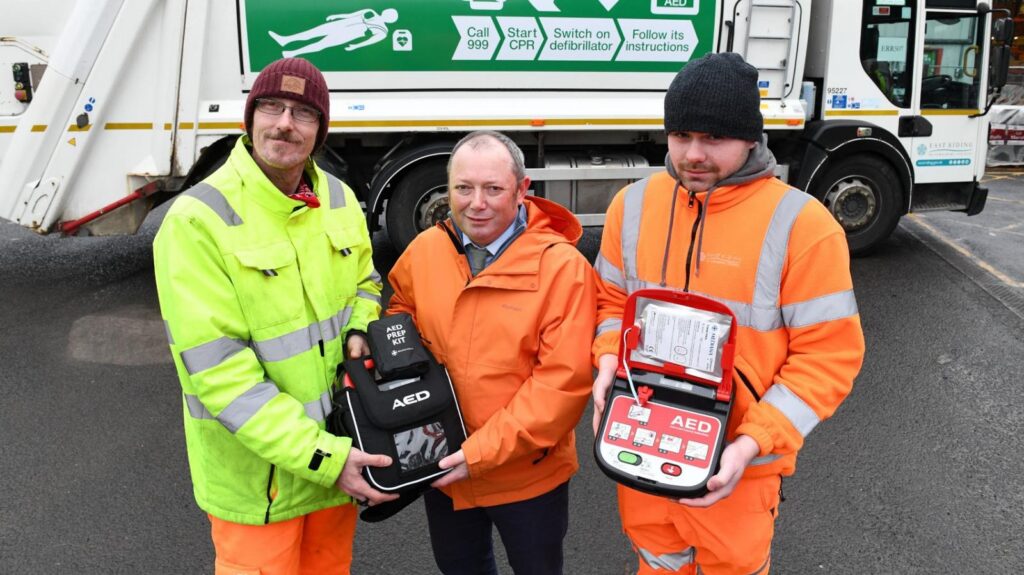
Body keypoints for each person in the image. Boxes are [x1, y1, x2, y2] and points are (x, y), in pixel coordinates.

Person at [591, 53, 865, 574]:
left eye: (713, 139)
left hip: (739, 468)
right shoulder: (632, 205)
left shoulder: (804, 226)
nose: (693, 154)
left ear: (750, 139)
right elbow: (609, 303)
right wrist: (608, 357)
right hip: (642, 436)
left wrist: (752, 442)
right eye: (681, 136)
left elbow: (827, 359)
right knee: (656, 559)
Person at [153, 57, 397, 574]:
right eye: (272, 107)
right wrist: (325, 460)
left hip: (334, 461)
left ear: (320, 131)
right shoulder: (197, 220)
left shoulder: (338, 198)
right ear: (250, 118)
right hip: (262, 485)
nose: (285, 123)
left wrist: (359, 326)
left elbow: (366, 283)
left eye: (303, 113)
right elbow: (221, 376)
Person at [386, 130, 597, 575]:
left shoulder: (563, 269)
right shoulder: (426, 250)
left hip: (527, 477)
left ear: (523, 191)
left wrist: (477, 455)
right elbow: (401, 308)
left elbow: (560, 386)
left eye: (493, 189)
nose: (475, 203)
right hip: (443, 467)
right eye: (463, 188)